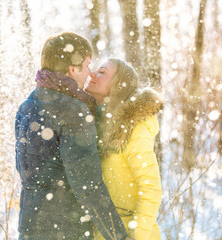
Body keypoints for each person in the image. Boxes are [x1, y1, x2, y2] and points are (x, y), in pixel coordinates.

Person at [15, 33, 128, 240]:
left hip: (29, 228)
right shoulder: (74, 111)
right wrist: (118, 235)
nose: (89, 73)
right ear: (72, 69)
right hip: (64, 230)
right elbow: (88, 186)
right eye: (87, 66)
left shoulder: (26, 106)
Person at [86, 58, 163, 240]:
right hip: (106, 231)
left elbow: (151, 188)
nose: (92, 74)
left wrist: (138, 235)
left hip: (128, 232)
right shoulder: (94, 124)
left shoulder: (132, 129)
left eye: (102, 72)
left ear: (118, 85)